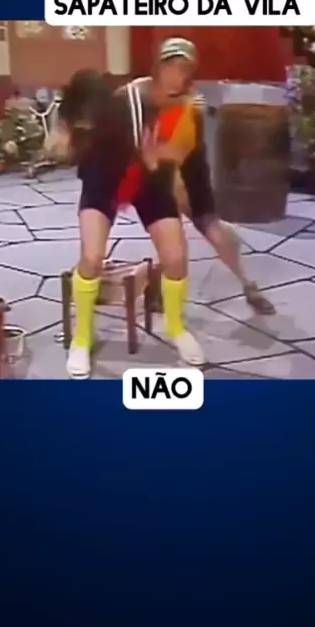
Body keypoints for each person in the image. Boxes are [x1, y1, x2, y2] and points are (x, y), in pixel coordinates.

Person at [48, 69, 205, 379]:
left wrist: (156, 157)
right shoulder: (72, 117)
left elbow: (156, 101)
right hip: (102, 182)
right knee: (91, 258)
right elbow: (59, 150)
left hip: (146, 180)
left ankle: (175, 327)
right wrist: (64, 138)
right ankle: (82, 337)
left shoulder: (131, 104)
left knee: (175, 258)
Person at [132, 37, 275, 315]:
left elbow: (177, 152)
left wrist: (177, 187)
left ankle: (247, 285)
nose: (176, 73)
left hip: (183, 173)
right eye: (171, 65)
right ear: (159, 65)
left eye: (184, 68)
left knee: (209, 230)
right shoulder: (140, 90)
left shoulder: (189, 102)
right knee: (176, 238)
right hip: (158, 172)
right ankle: (161, 290)